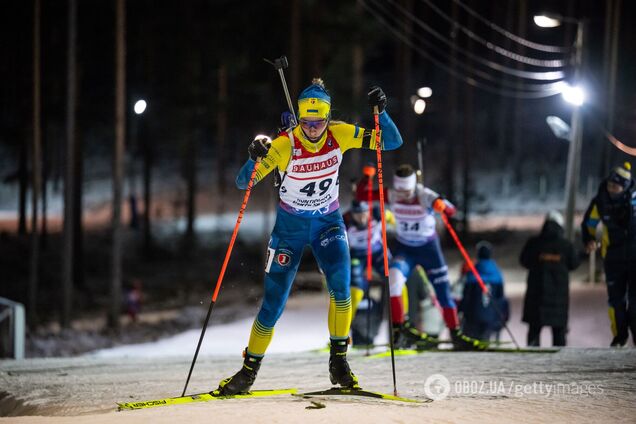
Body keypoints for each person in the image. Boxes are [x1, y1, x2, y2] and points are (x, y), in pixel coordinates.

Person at [217, 79, 403, 395]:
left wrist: (381, 113)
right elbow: (242, 183)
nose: (313, 128)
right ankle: (248, 372)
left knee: (342, 291)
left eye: (318, 122)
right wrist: (254, 156)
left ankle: (339, 362)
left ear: (328, 119)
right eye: (306, 122)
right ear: (299, 119)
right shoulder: (284, 145)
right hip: (289, 230)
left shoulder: (341, 133)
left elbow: (392, 143)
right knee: (273, 304)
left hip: (327, 225)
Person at [356, 164, 483, 350]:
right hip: (405, 249)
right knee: (393, 279)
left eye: (407, 191)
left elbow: (451, 210)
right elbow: (362, 196)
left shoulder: (424, 195)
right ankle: (399, 329)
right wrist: (367, 178)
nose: (403, 195)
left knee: (443, 292)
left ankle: (456, 333)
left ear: (413, 186)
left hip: (429, 250)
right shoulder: (392, 193)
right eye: (400, 190)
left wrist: (442, 205)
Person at [581, 162, 636, 347]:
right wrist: (588, 239)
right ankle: (619, 336)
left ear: (625, 187)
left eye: (616, 186)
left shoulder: (634, 200)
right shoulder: (601, 201)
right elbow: (589, 223)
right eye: (609, 185)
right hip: (613, 258)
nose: (611, 189)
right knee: (616, 301)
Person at [520, 211, 580, 347]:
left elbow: (524, 261)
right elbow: (574, 264)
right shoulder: (566, 245)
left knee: (534, 331)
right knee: (559, 334)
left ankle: (531, 362)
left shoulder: (534, 243)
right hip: (559, 299)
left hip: (536, 296)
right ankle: (560, 362)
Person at [460, 241, 508, 342]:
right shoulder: (497, 274)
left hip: (473, 316)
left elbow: (466, 297)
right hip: (491, 316)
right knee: (486, 340)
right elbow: (501, 297)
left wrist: (461, 311)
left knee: (473, 342)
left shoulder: (472, 274)